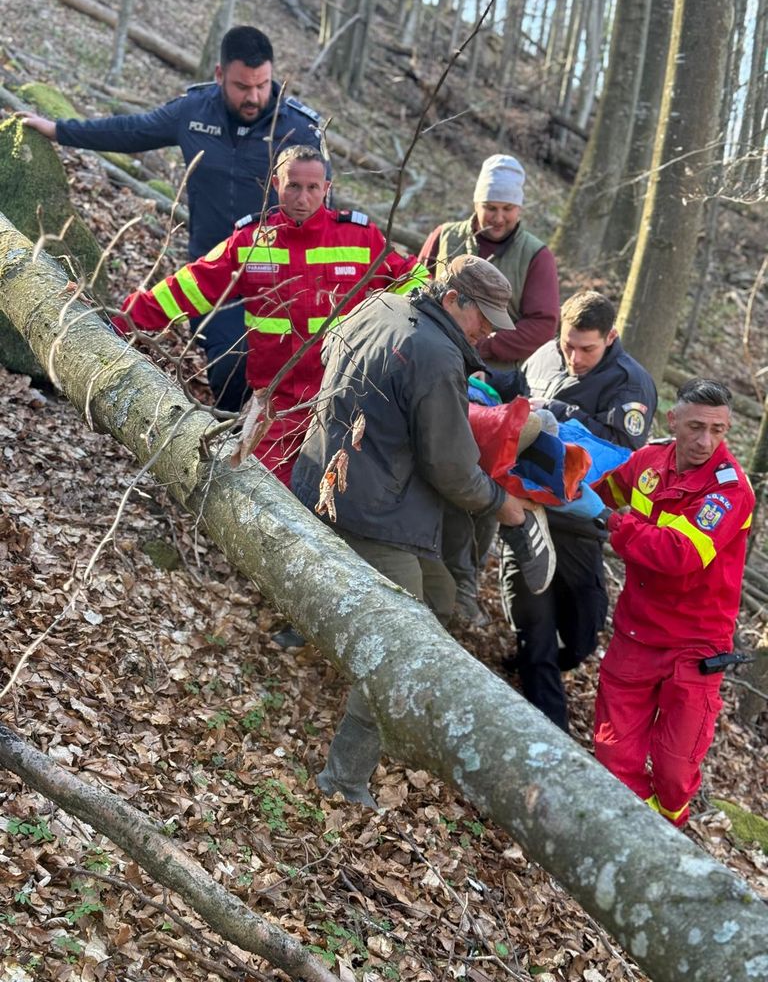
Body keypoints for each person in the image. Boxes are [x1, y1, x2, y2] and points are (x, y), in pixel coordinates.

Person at [292, 254, 555, 808]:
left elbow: (325, 351)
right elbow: (452, 467)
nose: (485, 333)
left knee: (439, 597)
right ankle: (343, 779)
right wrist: (500, 503)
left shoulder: (379, 304)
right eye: (480, 317)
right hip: (375, 512)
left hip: (322, 480)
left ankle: (366, 686)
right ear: (452, 298)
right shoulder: (436, 356)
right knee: (401, 647)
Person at [20, 26, 326, 412]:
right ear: (219, 75)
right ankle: (236, 451)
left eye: (263, 85)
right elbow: (132, 131)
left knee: (290, 376)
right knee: (230, 369)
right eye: (242, 86)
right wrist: (59, 130)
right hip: (215, 275)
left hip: (281, 277)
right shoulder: (194, 111)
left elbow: (319, 204)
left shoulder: (298, 129)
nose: (254, 97)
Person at [114, 145, 427, 486]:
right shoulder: (251, 241)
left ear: (327, 188)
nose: (302, 197)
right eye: (293, 186)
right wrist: (123, 321)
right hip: (276, 403)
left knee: (343, 502)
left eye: (312, 187)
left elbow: (417, 285)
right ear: (275, 183)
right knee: (260, 491)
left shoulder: (359, 237)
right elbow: (187, 287)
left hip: (345, 399)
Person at [593, 379, 754, 828]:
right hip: (636, 633)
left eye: (718, 430)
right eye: (697, 427)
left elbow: (679, 554)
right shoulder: (649, 462)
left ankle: (670, 829)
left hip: (695, 646)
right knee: (612, 752)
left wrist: (619, 527)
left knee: (674, 769)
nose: (706, 441)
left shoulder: (731, 489)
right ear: (673, 422)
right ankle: (636, 835)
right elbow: (600, 490)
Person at [499, 290, 657, 732]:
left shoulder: (630, 383)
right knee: (534, 620)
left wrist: (560, 413)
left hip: (578, 522)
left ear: (611, 337)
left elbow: (621, 454)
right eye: (568, 344)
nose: (574, 356)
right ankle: (552, 732)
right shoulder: (545, 356)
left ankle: (547, 657)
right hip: (525, 509)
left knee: (584, 627)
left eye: (586, 348)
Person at [418, 153, 559, 369]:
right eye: (491, 208)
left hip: (495, 373)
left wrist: (483, 343)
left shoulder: (536, 256)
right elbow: (415, 288)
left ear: (519, 208)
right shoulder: (444, 236)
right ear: (477, 204)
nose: (499, 218)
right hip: (432, 357)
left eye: (508, 209)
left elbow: (542, 326)